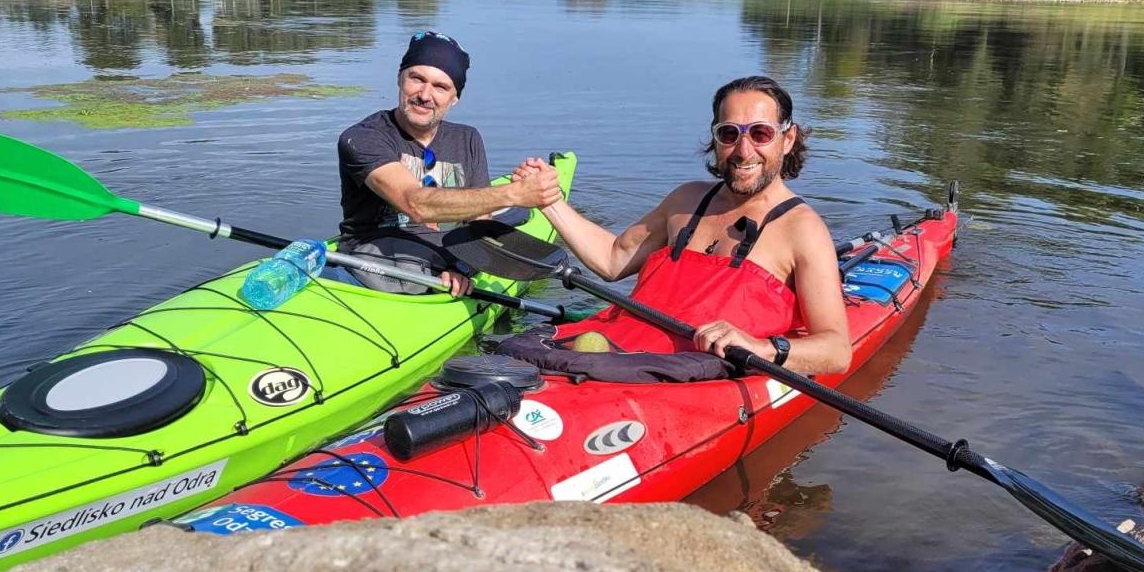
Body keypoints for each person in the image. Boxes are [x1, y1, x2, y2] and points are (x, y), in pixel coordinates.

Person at [509, 75, 851, 376]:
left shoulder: (802, 229)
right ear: (715, 138)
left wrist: (762, 348)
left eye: (761, 134)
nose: (744, 150)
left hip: (686, 380)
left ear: (787, 139)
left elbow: (836, 351)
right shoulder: (685, 201)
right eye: (729, 133)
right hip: (615, 357)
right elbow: (613, 260)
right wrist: (549, 202)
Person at [333, 30, 561, 295]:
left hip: (448, 265)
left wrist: (463, 269)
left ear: (455, 98)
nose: (425, 94)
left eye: (441, 87)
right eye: (417, 79)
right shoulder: (363, 137)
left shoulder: (468, 138)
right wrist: (515, 194)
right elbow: (414, 203)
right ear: (399, 78)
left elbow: (479, 223)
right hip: (373, 262)